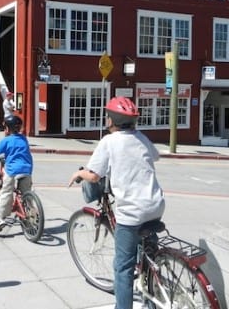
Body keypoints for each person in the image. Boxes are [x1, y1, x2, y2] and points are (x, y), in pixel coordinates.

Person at [68, 96, 165, 309]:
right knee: (149, 254)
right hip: (156, 206)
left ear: (111, 120)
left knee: (123, 268)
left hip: (132, 213)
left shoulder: (109, 141)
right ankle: (154, 287)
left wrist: (79, 172)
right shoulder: (142, 137)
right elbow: (155, 156)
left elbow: (94, 176)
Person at [0, 115, 33, 233]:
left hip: (13, 170)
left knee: (6, 192)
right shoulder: (24, 139)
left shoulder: (6, 140)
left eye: (5, 128)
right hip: (27, 169)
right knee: (26, 194)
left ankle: (0, 219)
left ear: (8, 129)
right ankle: (32, 215)